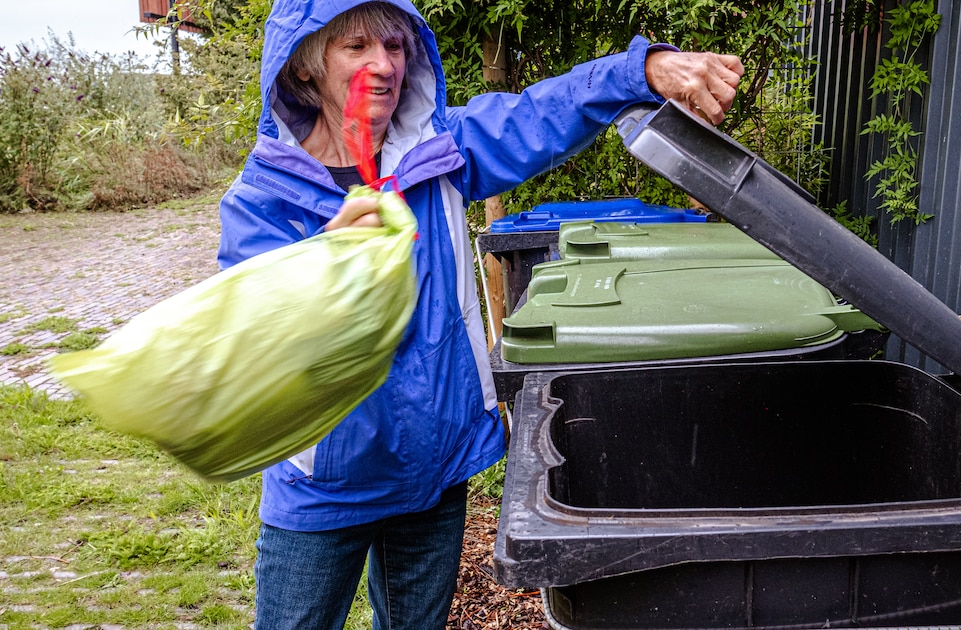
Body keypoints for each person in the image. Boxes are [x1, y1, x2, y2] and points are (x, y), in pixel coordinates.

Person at [216, 0, 743, 627]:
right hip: (324, 484)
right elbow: (253, 342)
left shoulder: (438, 155)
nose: (382, 65)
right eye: (356, 47)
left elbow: (540, 115)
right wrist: (332, 265)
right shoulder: (265, 198)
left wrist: (642, 70)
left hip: (433, 472)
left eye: (393, 45)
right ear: (305, 69)